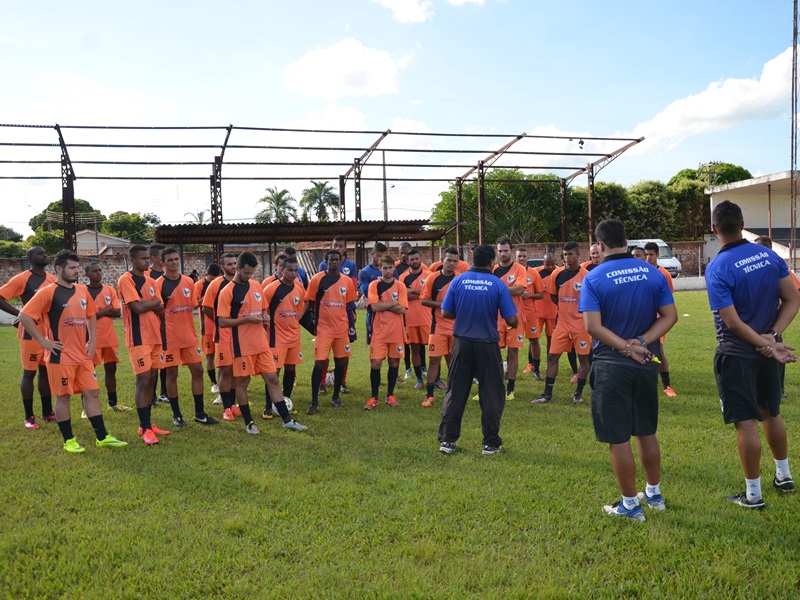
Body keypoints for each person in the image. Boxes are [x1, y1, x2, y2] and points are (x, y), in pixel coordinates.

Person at [580, 219, 677, 521]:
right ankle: (654, 494)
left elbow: (592, 326)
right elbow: (670, 316)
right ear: (625, 241)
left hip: (612, 365)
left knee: (618, 437)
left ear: (599, 245)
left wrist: (624, 346)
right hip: (646, 363)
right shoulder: (652, 272)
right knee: (646, 431)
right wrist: (641, 341)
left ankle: (629, 506)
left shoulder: (594, 277)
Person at [706, 200, 800, 510]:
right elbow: (792, 299)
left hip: (736, 353)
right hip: (769, 351)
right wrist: (772, 339)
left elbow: (732, 322)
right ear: (743, 222)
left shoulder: (718, 267)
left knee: (747, 422)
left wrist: (767, 342)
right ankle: (784, 476)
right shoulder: (768, 255)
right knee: (771, 412)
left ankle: (753, 495)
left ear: (714, 228)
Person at [19, 250, 127, 452]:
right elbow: (25, 316)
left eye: (78, 268)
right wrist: (43, 341)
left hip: (83, 355)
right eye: (72, 268)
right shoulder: (47, 292)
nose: (77, 271)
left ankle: (102, 437)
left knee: (92, 393)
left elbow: (92, 314)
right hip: (60, 356)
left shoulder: (81, 290)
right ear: (59, 269)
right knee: (63, 397)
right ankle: (69, 440)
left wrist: (93, 340)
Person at [217, 252, 307, 434]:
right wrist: (247, 319)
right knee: (242, 382)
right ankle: (249, 422)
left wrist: (265, 317)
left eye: (252, 273)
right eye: (246, 273)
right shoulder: (227, 292)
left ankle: (287, 420)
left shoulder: (256, 286)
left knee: (272, 378)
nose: (249, 277)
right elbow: (222, 321)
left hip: (261, 344)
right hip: (242, 346)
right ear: (238, 268)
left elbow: (264, 308)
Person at [155, 247, 218, 427]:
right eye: (170, 260)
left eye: (176, 259)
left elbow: (191, 306)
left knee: (197, 371)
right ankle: (177, 415)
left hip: (189, 336)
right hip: (169, 337)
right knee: (171, 373)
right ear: (162, 263)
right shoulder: (157, 284)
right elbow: (156, 311)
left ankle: (199, 413)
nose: (175, 263)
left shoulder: (189, 282)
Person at [117, 245, 170, 445]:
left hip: (156, 337)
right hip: (138, 339)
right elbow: (137, 307)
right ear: (132, 260)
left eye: (148, 258)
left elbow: (161, 308)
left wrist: (153, 304)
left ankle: (147, 425)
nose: (147, 262)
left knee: (152, 379)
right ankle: (146, 427)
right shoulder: (125, 280)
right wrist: (153, 303)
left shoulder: (151, 281)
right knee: (143, 381)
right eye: (142, 259)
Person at [0, 246, 56, 429]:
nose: (44, 255)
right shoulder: (22, 279)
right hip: (29, 334)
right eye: (40, 253)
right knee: (29, 374)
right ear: (30, 258)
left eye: (45, 252)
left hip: (47, 334)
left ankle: (47, 412)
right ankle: (28, 417)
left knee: (45, 373)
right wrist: (21, 314)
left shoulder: (52, 280)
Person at [533, 242, 591, 404]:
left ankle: (578, 393)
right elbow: (553, 296)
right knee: (552, 357)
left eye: (570, 254)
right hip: (562, 324)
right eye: (565, 255)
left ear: (579, 255)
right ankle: (547, 394)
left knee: (584, 360)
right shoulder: (557, 274)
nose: (567, 258)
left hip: (582, 326)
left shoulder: (587, 277)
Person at [305, 249, 357, 414]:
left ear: (341, 261)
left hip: (341, 330)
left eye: (337, 260)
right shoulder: (317, 279)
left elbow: (348, 305)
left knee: (341, 362)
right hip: (324, 329)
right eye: (331, 260)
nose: (334, 262)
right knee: (320, 363)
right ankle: (314, 401)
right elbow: (311, 302)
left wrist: (351, 326)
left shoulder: (347, 281)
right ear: (326, 261)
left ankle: (335, 397)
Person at [754, 236, 800, 398]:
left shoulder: (778, 266)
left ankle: (778, 389)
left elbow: (795, 292)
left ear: (768, 248)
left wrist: (781, 310)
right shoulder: (755, 267)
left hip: (775, 320)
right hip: (758, 319)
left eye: (758, 247)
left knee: (776, 353)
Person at [262, 256, 306, 418]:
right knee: (273, 373)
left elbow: (300, 308)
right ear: (282, 269)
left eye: (296, 270)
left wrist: (294, 321)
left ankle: (287, 402)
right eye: (290, 270)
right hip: (276, 338)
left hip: (294, 338)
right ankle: (268, 407)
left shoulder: (299, 288)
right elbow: (262, 310)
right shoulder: (271, 289)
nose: (293, 273)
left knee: (290, 369)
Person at [364, 255, 408, 410]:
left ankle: (390, 395)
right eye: (385, 268)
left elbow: (402, 309)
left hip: (396, 331)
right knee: (376, 363)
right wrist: (394, 302)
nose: (388, 271)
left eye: (390, 267)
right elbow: (374, 307)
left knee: (394, 362)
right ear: (379, 268)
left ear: (393, 268)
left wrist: (383, 304)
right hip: (379, 331)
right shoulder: (374, 285)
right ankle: (374, 397)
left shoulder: (400, 286)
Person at [85, 262, 129, 411]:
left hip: (109, 338)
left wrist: (97, 313)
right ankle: (86, 407)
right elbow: (85, 316)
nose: (98, 273)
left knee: (111, 370)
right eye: (94, 271)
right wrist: (106, 309)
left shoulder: (109, 290)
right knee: (88, 373)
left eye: (99, 270)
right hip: (91, 338)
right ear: (87, 274)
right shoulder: (82, 291)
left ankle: (113, 403)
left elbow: (117, 312)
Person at [201, 253, 240, 420]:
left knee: (236, 372)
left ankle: (232, 404)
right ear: (222, 267)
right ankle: (226, 408)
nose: (233, 266)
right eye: (229, 264)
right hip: (222, 335)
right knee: (225, 370)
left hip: (240, 335)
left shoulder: (242, 283)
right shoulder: (216, 284)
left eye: (234, 263)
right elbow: (206, 308)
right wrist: (220, 321)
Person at [420, 246, 459, 407]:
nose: (451, 264)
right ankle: (429, 395)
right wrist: (442, 304)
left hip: (457, 328)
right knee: (434, 360)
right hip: (438, 327)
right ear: (443, 260)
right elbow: (424, 300)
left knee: (454, 361)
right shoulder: (432, 278)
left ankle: (455, 393)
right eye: (449, 260)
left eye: (455, 261)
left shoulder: (460, 279)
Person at [317, 236, 357, 394]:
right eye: (335, 245)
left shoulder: (350, 265)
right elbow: (321, 288)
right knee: (323, 353)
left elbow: (352, 287)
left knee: (344, 352)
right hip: (326, 316)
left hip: (346, 311)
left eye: (341, 246)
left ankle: (342, 382)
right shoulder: (323, 265)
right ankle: (321, 383)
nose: (338, 247)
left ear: (345, 249)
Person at [492, 237, 528, 401]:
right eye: (500, 251)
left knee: (512, 352)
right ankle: (492, 386)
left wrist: (498, 290)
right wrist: (508, 289)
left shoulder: (519, 269)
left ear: (511, 251)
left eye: (506, 250)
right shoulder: (492, 270)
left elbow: (520, 289)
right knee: (492, 353)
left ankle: (510, 389)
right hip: (495, 318)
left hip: (514, 318)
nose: (503, 254)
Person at [643, 241, 678, 398]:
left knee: (658, 351)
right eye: (647, 255)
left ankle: (667, 385)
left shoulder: (664, 274)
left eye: (651, 254)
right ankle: (646, 382)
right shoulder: (641, 272)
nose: (648, 258)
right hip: (643, 319)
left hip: (658, 321)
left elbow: (668, 299)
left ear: (657, 255)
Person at [401, 249, 432, 390]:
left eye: (416, 258)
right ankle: (419, 378)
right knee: (415, 349)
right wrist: (420, 292)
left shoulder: (429, 275)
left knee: (434, 350)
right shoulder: (403, 278)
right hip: (410, 319)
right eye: (411, 259)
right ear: (407, 261)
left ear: (421, 258)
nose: (414, 261)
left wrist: (411, 292)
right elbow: (402, 296)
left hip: (427, 318)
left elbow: (429, 294)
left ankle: (435, 378)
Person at [515, 247, 545, 379]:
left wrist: (530, 295)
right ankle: (509, 371)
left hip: (530, 313)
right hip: (514, 314)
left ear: (527, 258)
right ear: (515, 258)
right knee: (512, 344)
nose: (521, 258)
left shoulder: (533, 273)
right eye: (519, 256)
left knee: (534, 340)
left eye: (524, 256)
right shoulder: (511, 272)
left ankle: (536, 371)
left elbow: (541, 294)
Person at [195, 263, 222, 396]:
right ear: (206, 275)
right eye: (212, 278)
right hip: (207, 328)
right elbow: (194, 303)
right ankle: (214, 383)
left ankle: (230, 382)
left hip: (223, 327)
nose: (214, 281)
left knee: (226, 357)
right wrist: (209, 297)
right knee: (210, 356)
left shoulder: (223, 283)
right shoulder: (199, 285)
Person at [533, 252, 558, 380]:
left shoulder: (558, 272)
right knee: (534, 339)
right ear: (543, 263)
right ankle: (533, 366)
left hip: (553, 312)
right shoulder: (537, 272)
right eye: (547, 264)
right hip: (538, 312)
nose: (550, 267)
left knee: (551, 339)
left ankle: (549, 364)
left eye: (552, 264)